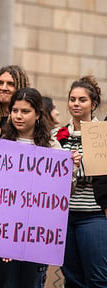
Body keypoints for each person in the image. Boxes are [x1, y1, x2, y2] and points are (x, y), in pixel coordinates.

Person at [0, 87, 63, 288]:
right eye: (15, 111)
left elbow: (60, 196)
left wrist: (70, 170)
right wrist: (3, 239)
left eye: (25, 111)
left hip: (36, 239)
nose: (18, 116)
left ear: (38, 114)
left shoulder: (52, 147)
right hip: (1, 235)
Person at [56, 76, 107, 287]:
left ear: (93, 104)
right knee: (72, 278)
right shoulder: (56, 135)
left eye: (82, 100)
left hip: (93, 215)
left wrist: (75, 169)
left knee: (97, 279)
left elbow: (100, 170)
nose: (76, 104)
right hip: (63, 217)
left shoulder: (102, 135)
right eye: (72, 99)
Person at [0, 65, 29, 133]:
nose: (4, 88)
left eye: (11, 84)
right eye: (0, 83)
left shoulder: (23, 120)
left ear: (21, 88)